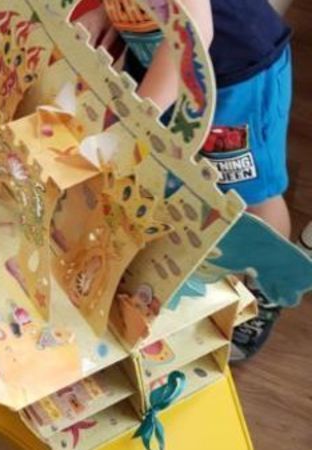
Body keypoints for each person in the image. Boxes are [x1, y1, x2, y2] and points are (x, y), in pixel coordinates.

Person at [79, 0, 292, 361]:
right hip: (162, 55)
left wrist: (137, 119)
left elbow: (195, 32)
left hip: (234, 77)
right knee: (168, 165)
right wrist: (106, 14)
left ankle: (267, 290)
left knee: (253, 195)